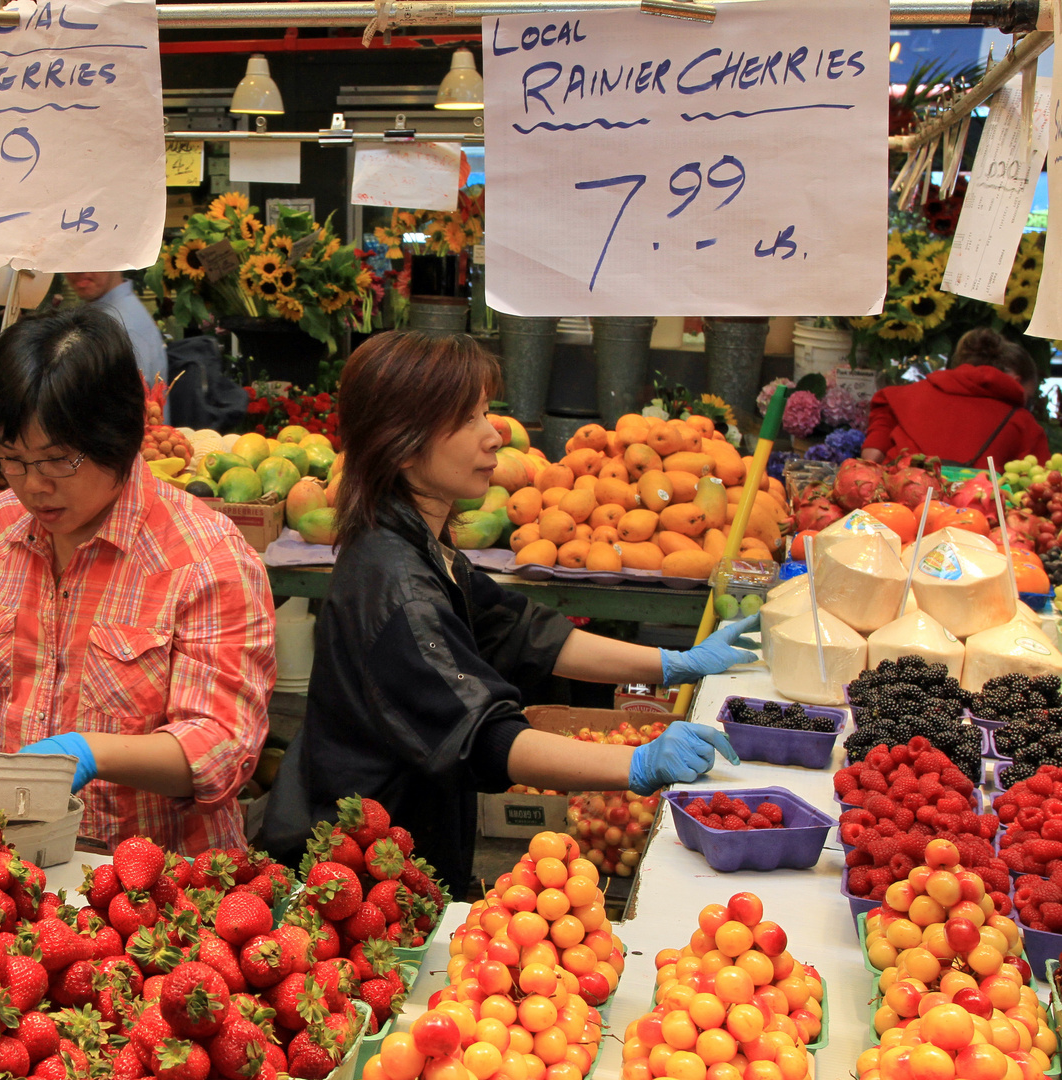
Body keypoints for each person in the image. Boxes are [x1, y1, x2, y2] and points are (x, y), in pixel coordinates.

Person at [262, 331, 750, 898]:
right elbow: (487, 739)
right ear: (402, 443)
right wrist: (636, 764)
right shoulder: (397, 586)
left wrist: (675, 662)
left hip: (399, 846)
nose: (494, 435)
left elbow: (525, 633)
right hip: (357, 872)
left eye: (486, 412)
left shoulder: (417, 542)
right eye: (467, 419)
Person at [0, 306, 275, 855]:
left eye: (58, 461)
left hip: (155, 888)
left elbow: (220, 746)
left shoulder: (206, 560)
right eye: (13, 460)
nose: (34, 487)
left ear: (118, 438)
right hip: (7, 865)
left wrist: (92, 752)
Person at [861, 328, 1048, 466]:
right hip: (973, 516)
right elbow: (1038, 490)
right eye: (1028, 399)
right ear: (1016, 381)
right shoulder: (1024, 423)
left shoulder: (896, 397)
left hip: (896, 513)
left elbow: (871, 459)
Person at [65, 272, 169, 416]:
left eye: (91, 256)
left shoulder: (122, 326)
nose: (79, 269)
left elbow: (124, 419)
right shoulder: (103, 314)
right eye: (70, 258)